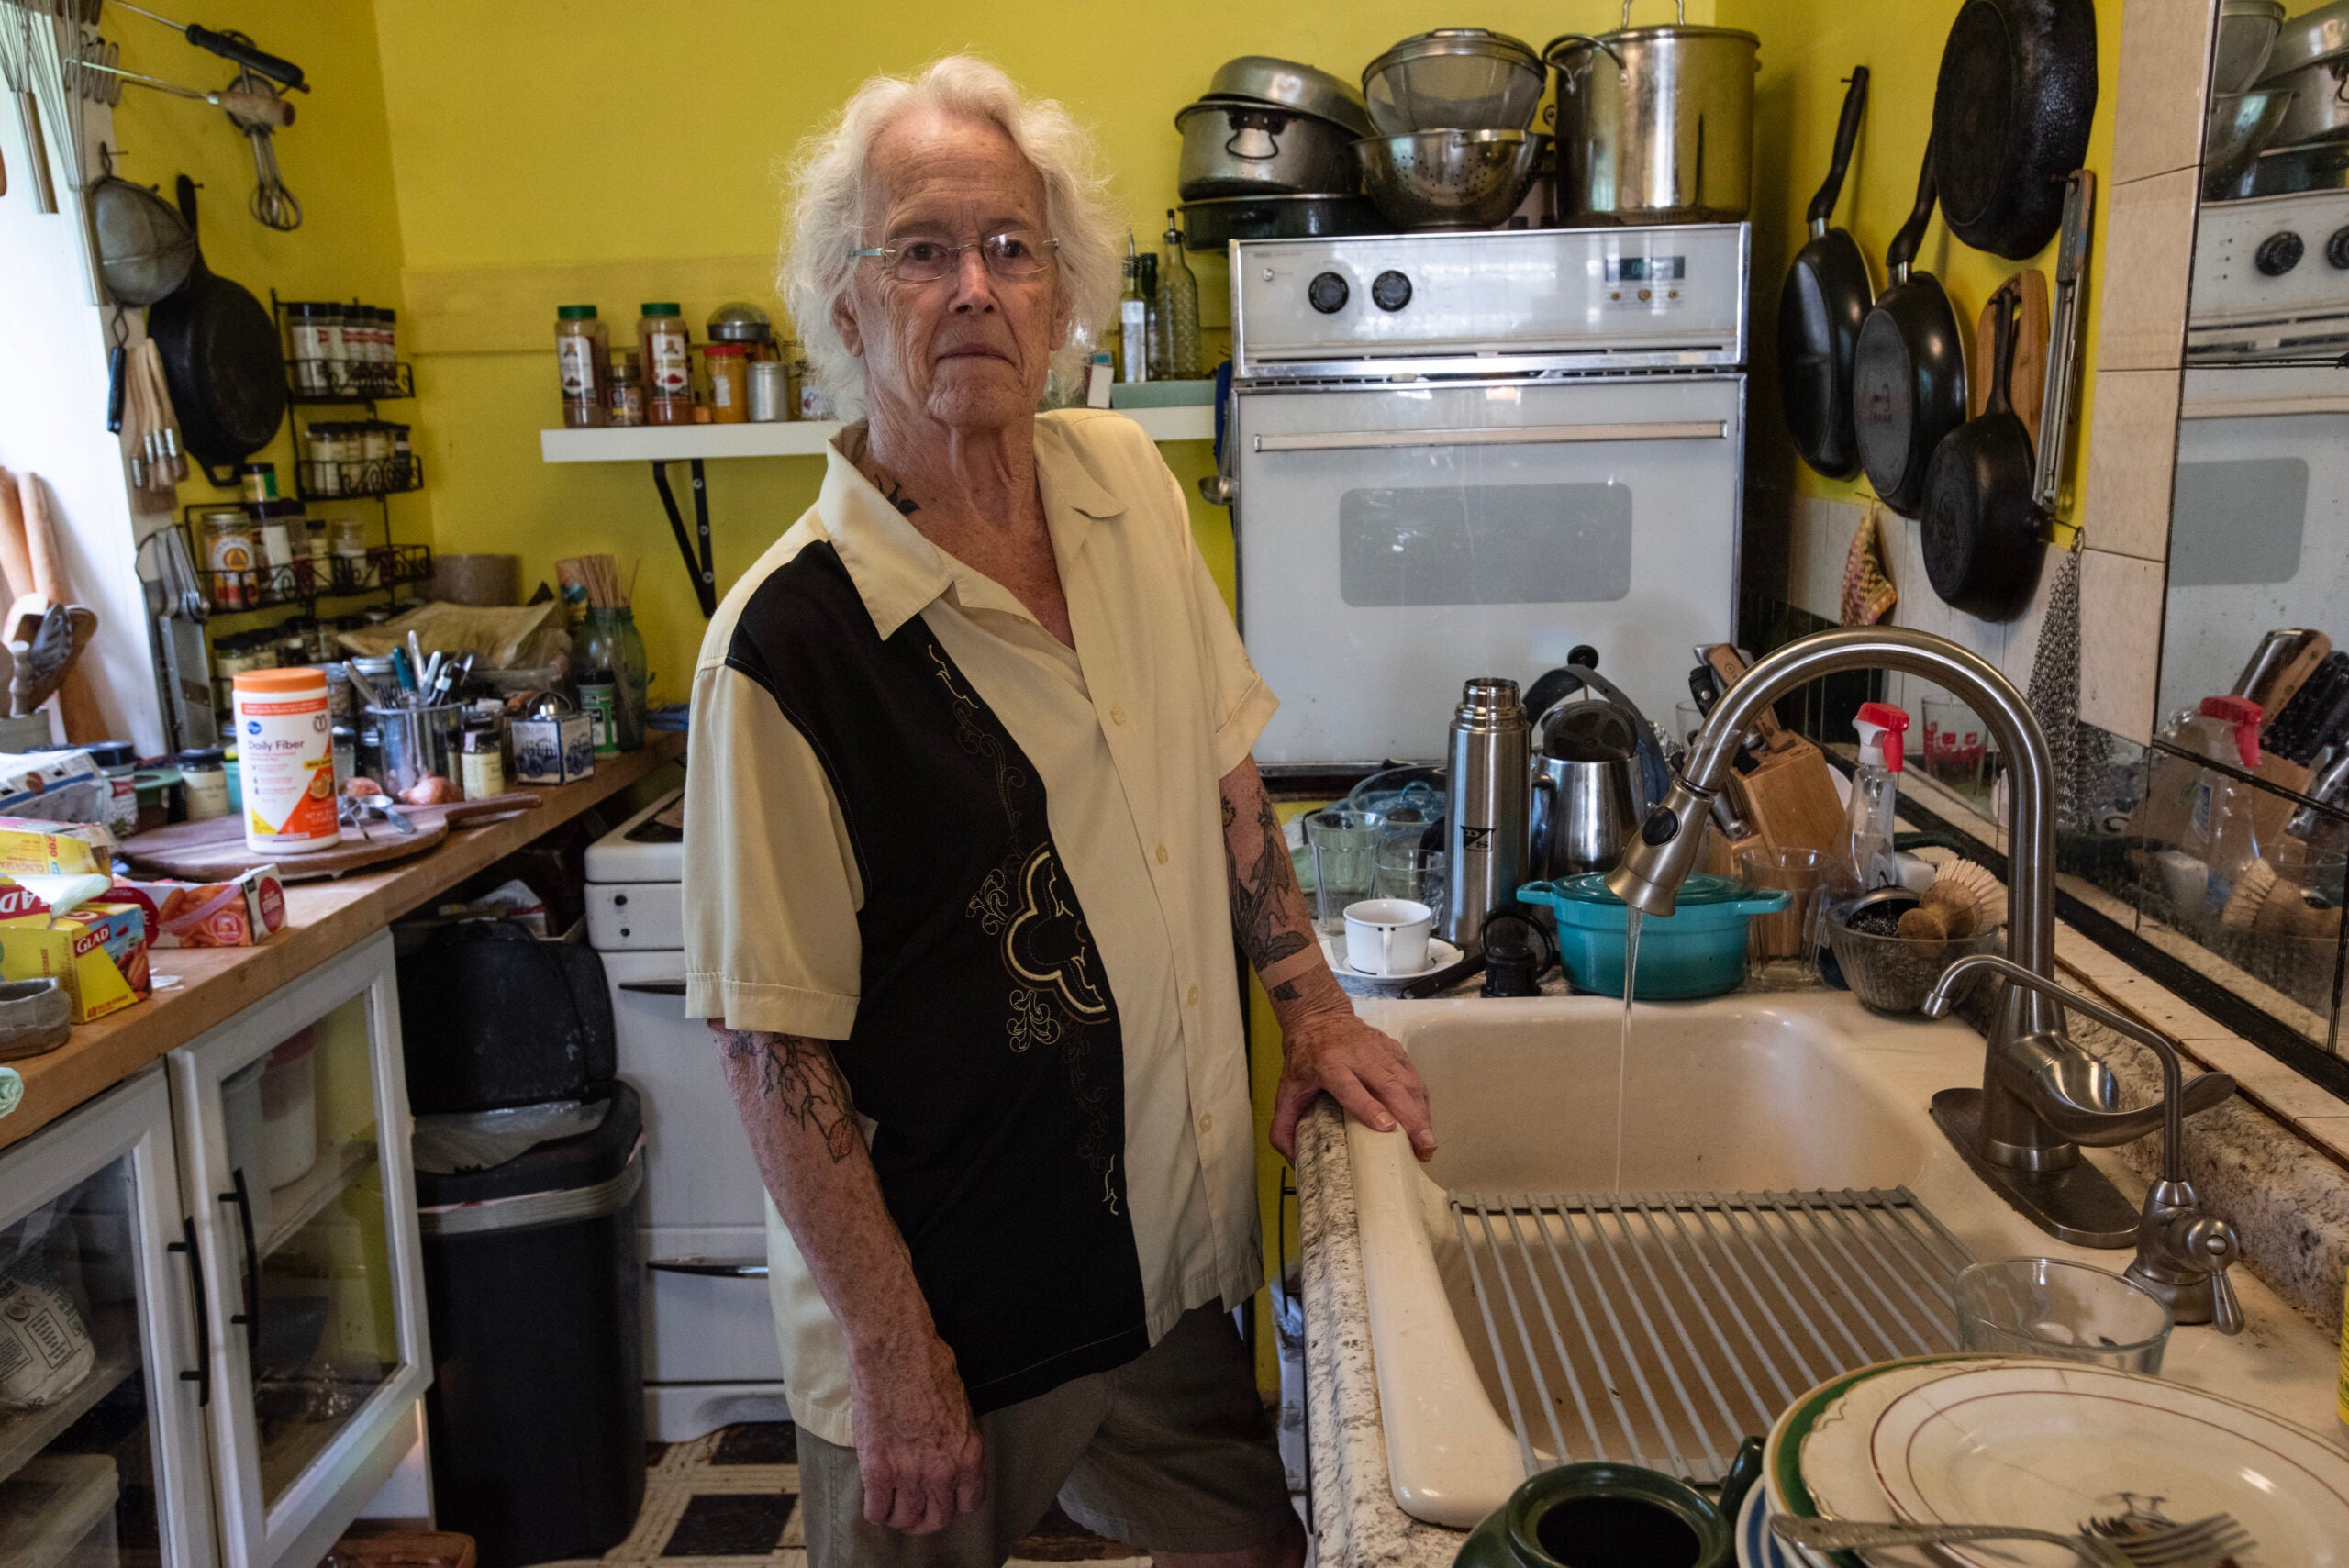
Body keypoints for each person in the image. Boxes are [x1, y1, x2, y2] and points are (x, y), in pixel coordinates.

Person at [682, 55, 1434, 1568]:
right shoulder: (785, 649)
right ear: (847, 306)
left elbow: (1222, 773)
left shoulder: (1126, 485)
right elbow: (774, 1046)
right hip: (939, 1311)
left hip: (1157, 1269)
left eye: (1011, 249)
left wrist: (1315, 1005)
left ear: (1061, 294)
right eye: (922, 250)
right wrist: (897, 1364)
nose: (974, 286)